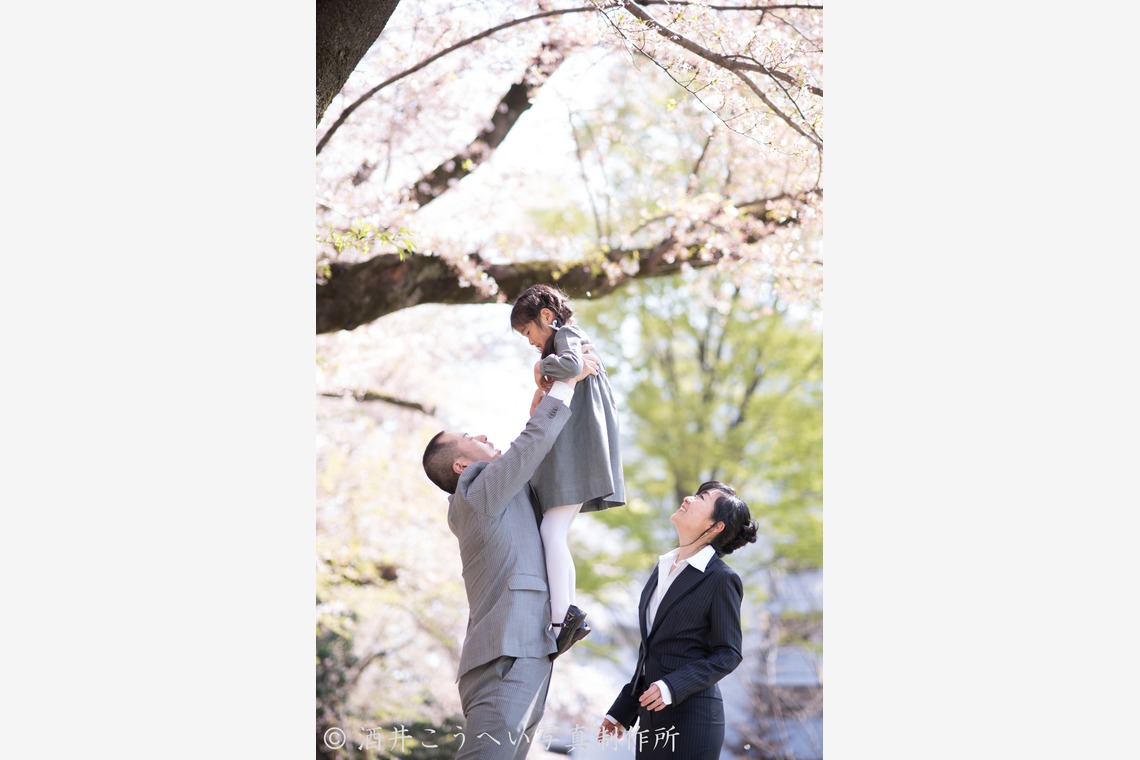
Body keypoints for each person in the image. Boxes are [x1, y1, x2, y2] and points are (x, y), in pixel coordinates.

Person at [421, 354, 598, 760]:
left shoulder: (491, 495)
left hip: (527, 648)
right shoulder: (474, 491)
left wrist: (543, 402)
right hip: (506, 654)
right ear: (461, 464)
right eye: (472, 437)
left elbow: (530, 459)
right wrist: (565, 384)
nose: (483, 434)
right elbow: (525, 451)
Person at [597, 481, 759, 759]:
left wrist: (673, 686)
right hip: (651, 720)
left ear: (716, 526)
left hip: (693, 720)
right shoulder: (661, 570)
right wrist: (624, 708)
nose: (688, 498)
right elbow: (652, 650)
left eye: (701, 498)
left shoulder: (721, 579)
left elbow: (728, 653)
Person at [509, 283, 626, 656]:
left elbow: (574, 366)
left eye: (528, 332)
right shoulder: (568, 338)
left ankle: (563, 617)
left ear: (547, 316)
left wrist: (540, 367)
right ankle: (564, 613)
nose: (529, 342)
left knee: (552, 530)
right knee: (553, 530)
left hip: (578, 446)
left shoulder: (568, 334)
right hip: (578, 444)